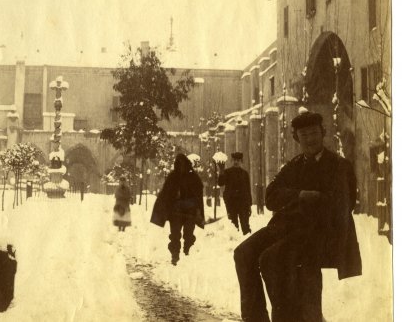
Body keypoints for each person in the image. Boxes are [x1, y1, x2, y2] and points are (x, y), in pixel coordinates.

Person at [233, 111, 361, 322]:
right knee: (243, 253)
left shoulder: (339, 166)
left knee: (270, 258)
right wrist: (300, 195)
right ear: (296, 138)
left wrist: (307, 202)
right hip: (286, 229)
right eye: (304, 135)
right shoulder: (294, 166)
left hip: (321, 232)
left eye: (313, 133)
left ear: (323, 133)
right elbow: (270, 197)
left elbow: (342, 206)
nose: (309, 139)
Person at [151, 153, 205, 265]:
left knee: (188, 235)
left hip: (189, 212)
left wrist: (197, 210)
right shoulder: (173, 177)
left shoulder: (193, 177)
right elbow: (165, 194)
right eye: (179, 164)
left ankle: (187, 253)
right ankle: (175, 255)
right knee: (175, 235)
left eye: (183, 164)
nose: (181, 167)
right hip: (176, 213)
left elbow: (199, 192)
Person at [218, 152, 252, 234]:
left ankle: (247, 244)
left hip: (243, 203)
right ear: (232, 161)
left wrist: (249, 205)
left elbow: (248, 189)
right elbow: (220, 183)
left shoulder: (245, 174)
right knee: (233, 226)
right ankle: (235, 244)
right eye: (234, 160)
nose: (236, 162)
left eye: (238, 160)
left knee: (245, 226)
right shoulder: (227, 172)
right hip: (231, 203)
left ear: (241, 161)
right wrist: (221, 171)